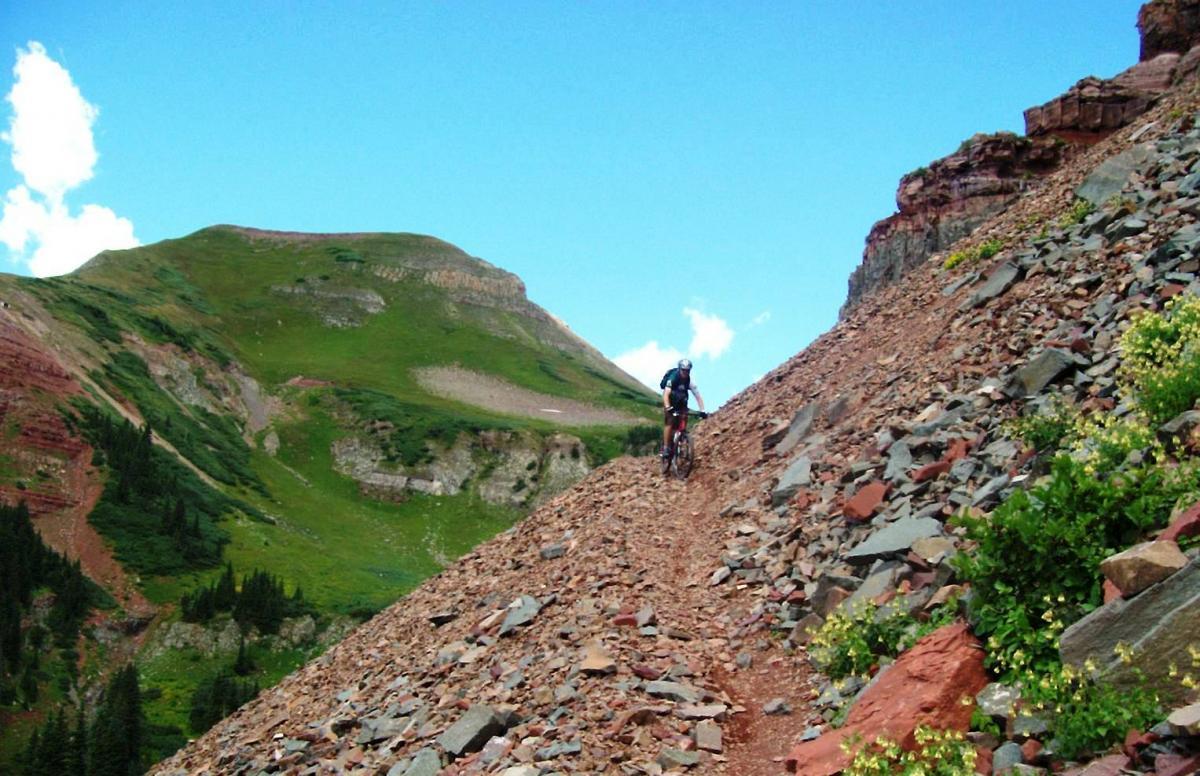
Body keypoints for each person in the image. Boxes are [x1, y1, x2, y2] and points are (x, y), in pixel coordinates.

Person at [661, 358, 705, 457]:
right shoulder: (673, 378)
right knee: (670, 421)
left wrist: (702, 410)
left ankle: (681, 436)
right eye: (683, 370)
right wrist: (668, 407)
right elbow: (666, 394)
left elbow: (698, 396)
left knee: (684, 416)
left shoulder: (689, 381)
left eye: (687, 371)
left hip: (681, 402)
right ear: (680, 369)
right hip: (670, 402)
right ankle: (666, 448)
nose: (685, 372)